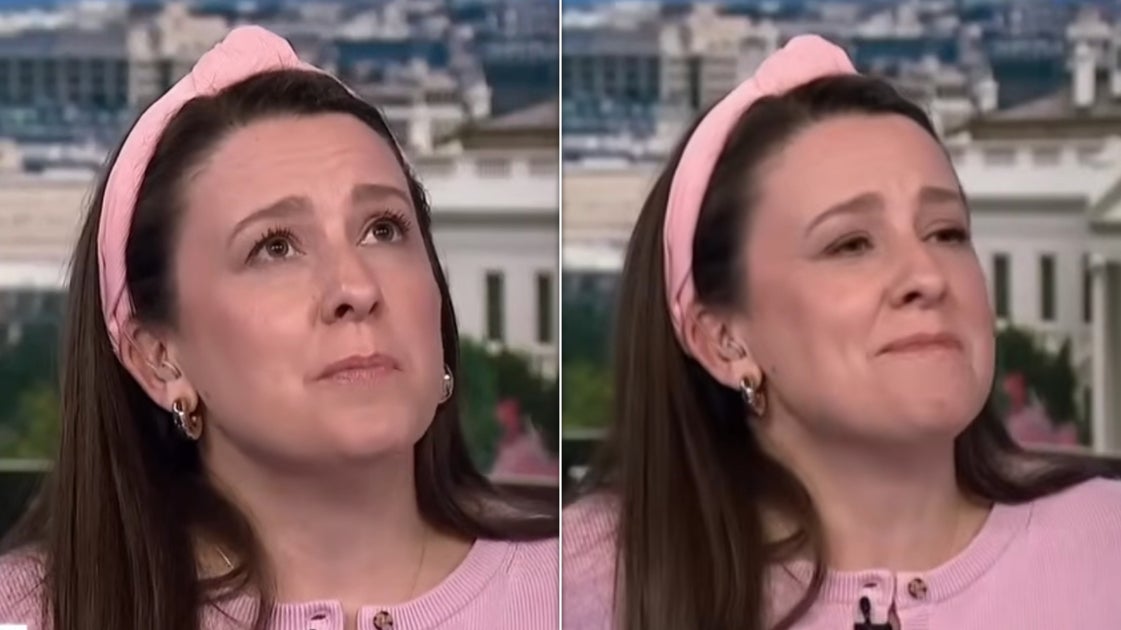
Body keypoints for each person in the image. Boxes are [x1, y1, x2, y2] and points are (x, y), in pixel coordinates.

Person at [0, 26, 557, 630]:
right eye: (275, 247)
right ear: (159, 357)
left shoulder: (579, 594)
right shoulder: (32, 613)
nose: (356, 289)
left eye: (383, 229)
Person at [563, 35, 1121, 630]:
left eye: (947, 233)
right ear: (723, 340)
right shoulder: (575, 588)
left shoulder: (1104, 543)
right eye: (851, 244)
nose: (927, 276)